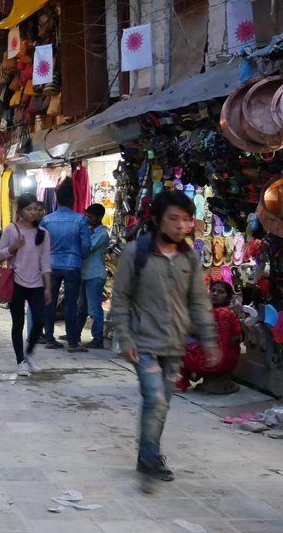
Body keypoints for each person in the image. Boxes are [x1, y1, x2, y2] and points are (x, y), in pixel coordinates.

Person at [109, 189, 219, 484]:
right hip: (142, 342)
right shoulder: (136, 253)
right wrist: (125, 339)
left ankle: (149, 453)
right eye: (174, 219)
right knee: (155, 400)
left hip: (174, 344)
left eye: (186, 220)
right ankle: (149, 459)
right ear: (158, 220)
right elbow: (120, 300)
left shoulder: (189, 257)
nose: (181, 226)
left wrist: (209, 341)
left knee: (162, 403)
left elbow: (198, 301)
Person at [0, 193, 52, 377]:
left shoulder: (43, 233)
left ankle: (29, 353)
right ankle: (20, 360)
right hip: (16, 282)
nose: (33, 212)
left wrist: (48, 287)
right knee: (18, 322)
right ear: (20, 211)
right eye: (29, 209)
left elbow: (45, 262)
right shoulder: (11, 230)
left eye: (36, 209)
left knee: (40, 320)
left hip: (36, 283)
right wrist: (14, 247)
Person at [39, 179, 90, 353]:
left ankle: (49, 337)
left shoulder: (46, 220)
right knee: (71, 304)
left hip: (51, 265)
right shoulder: (80, 219)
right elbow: (86, 244)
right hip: (72, 265)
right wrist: (79, 257)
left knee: (50, 302)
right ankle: (73, 342)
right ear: (72, 200)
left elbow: (39, 243)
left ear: (57, 199)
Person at [178, 281, 242, 395]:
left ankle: (179, 384)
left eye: (220, 292)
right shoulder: (228, 312)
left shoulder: (220, 313)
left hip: (215, 360)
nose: (215, 294)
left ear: (228, 296)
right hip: (227, 360)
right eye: (213, 290)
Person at [78, 204, 110, 349]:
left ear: (99, 218)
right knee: (81, 307)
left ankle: (98, 339)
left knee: (94, 309)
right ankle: (75, 333)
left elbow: (87, 248)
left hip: (95, 274)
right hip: (86, 274)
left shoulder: (102, 234)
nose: (87, 219)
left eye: (90, 217)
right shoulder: (90, 231)